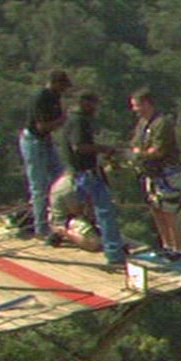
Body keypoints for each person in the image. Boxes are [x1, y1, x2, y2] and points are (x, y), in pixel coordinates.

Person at [60, 90, 129, 269]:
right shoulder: (79, 121)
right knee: (105, 210)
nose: (95, 109)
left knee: (85, 209)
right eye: (94, 104)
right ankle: (114, 253)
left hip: (77, 172)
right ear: (85, 103)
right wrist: (104, 149)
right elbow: (79, 147)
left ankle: (93, 238)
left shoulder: (70, 119)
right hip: (86, 172)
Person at [127, 88, 181, 261]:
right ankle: (166, 246)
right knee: (156, 209)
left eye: (136, 106)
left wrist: (140, 154)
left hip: (167, 173)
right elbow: (135, 144)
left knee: (169, 211)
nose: (134, 110)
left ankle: (177, 249)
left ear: (147, 104)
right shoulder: (142, 123)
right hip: (150, 172)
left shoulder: (162, 123)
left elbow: (159, 150)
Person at [19, 69, 69, 241]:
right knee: (39, 186)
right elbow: (41, 126)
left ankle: (58, 220)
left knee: (60, 179)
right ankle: (40, 228)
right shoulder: (41, 97)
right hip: (33, 141)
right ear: (55, 83)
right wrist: (62, 120)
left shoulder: (55, 97)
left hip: (45, 140)